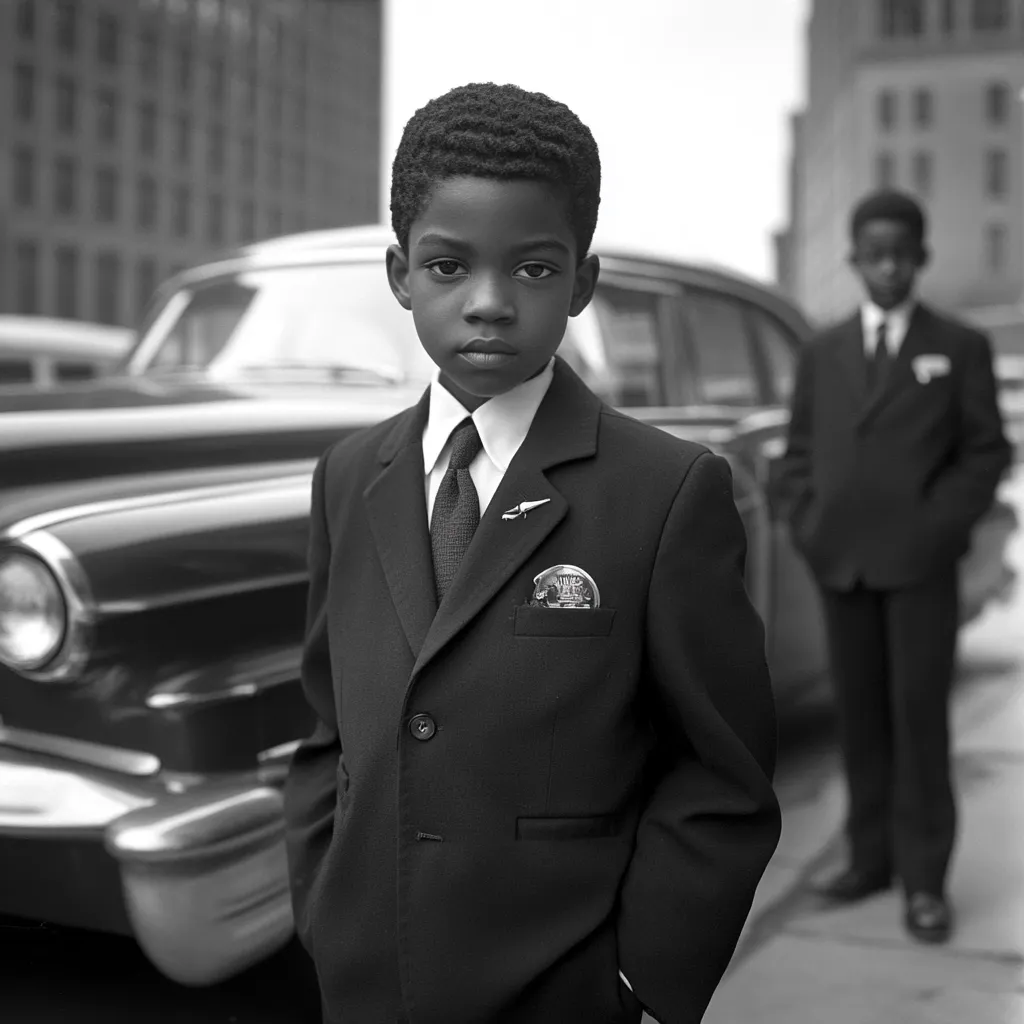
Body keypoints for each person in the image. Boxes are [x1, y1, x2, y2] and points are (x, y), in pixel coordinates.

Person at [283, 81, 781, 1024]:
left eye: (535, 270)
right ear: (398, 274)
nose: (488, 305)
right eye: (446, 267)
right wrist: (323, 907)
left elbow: (721, 771)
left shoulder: (666, 491)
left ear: (583, 284)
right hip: (367, 980)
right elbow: (328, 731)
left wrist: (641, 981)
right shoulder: (347, 477)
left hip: (563, 990)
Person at [780, 189, 1012, 944]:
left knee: (918, 724)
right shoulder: (824, 351)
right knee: (860, 721)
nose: (887, 268)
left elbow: (986, 453)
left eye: (901, 256)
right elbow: (799, 453)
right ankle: (869, 858)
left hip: (919, 570)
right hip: (841, 564)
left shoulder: (959, 346)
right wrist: (808, 525)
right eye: (874, 256)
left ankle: (925, 881)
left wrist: (937, 527)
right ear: (854, 261)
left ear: (921, 259)